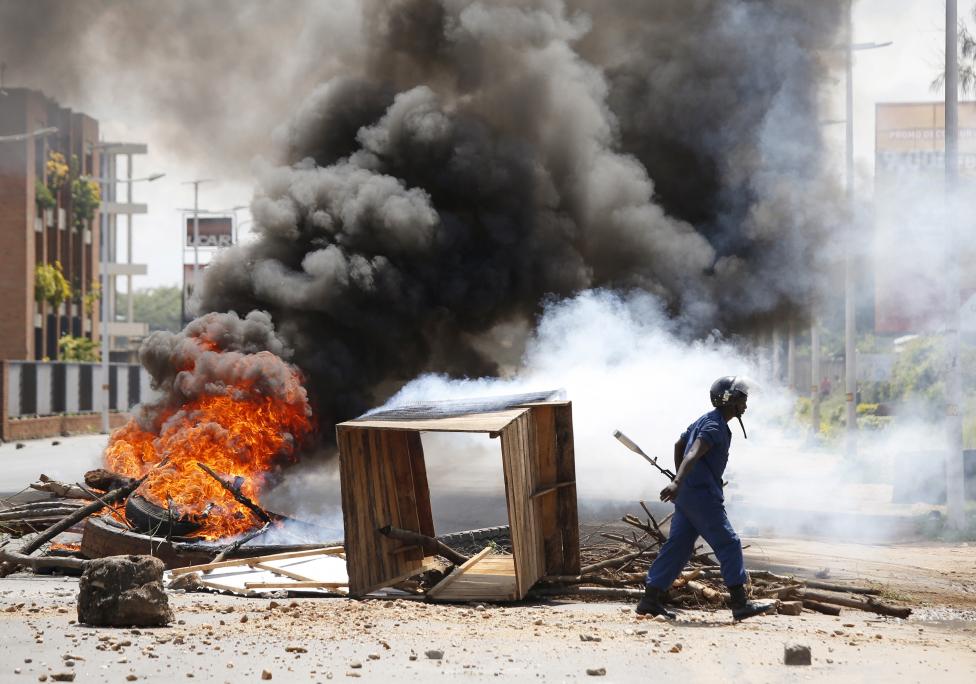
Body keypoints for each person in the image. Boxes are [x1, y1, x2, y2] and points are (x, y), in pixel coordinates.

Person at [635, 376, 773, 621]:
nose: (746, 404)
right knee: (729, 543)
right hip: (702, 497)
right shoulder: (714, 426)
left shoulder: (707, 419)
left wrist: (681, 480)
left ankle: (650, 600)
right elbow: (694, 451)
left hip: (689, 495)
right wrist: (679, 480)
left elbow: (679, 444)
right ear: (730, 400)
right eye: (743, 398)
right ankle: (740, 603)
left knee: (679, 546)